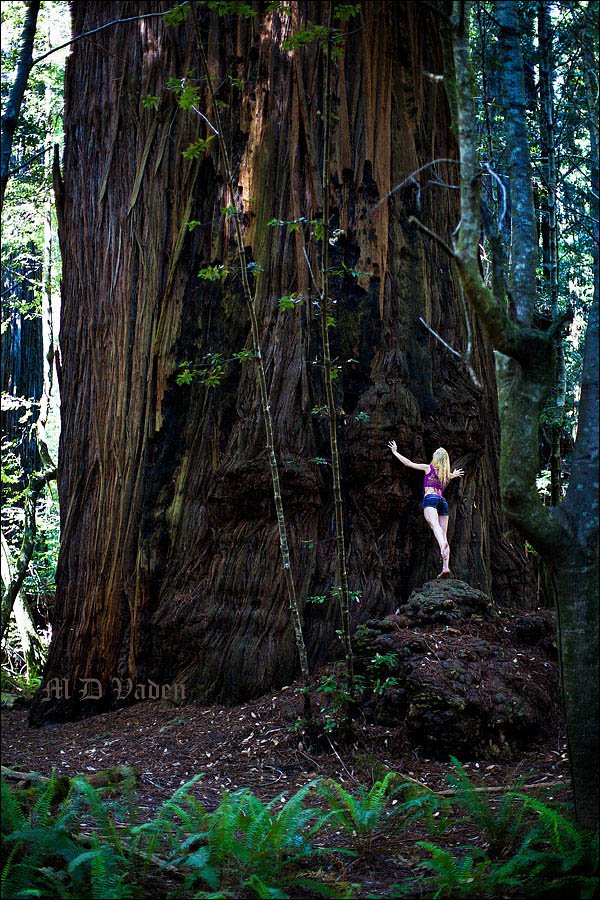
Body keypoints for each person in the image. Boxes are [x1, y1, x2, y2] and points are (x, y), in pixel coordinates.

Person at [388, 441, 464, 578]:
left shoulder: (429, 468)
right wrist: (454, 474)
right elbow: (451, 476)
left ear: (435, 458)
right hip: (443, 502)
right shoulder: (446, 475)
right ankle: (445, 567)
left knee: (435, 526)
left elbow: (409, 463)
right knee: (442, 533)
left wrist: (395, 452)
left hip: (431, 499)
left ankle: (442, 544)